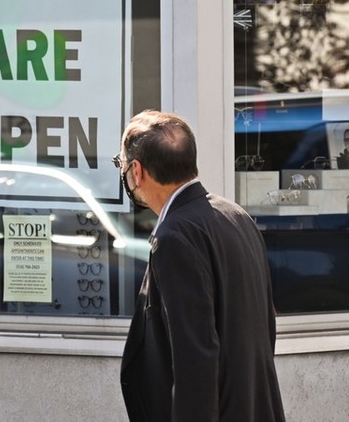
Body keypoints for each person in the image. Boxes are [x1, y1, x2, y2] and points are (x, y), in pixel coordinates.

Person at [117, 110, 285, 422]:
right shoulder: (236, 215)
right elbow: (266, 326)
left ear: (136, 172)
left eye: (122, 165)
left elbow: (194, 357)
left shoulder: (174, 236)